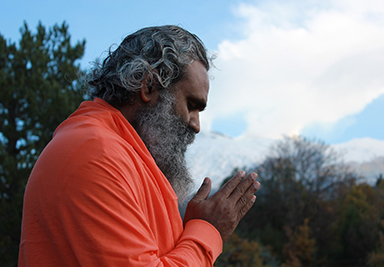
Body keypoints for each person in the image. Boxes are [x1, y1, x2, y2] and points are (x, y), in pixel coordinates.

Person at [19, 25, 260, 267]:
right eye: (191, 104)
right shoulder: (97, 154)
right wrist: (207, 233)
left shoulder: (119, 154)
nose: (196, 125)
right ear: (148, 87)